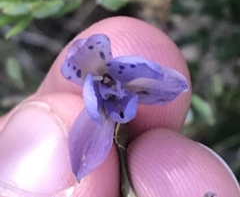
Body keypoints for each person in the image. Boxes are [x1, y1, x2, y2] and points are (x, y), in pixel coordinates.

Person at [0, 17, 239, 197]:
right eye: (107, 85)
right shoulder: (94, 120)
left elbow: (170, 84)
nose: (113, 88)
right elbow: (82, 161)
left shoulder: (131, 87)